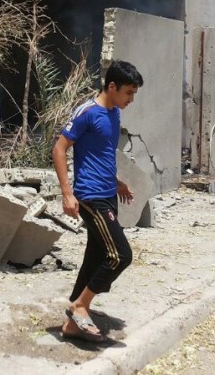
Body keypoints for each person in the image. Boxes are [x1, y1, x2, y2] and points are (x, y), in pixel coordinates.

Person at [52, 59, 144, 342]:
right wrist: (67, 193)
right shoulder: (87, 112)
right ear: (112, 86)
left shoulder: (114, 113)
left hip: (108, 193)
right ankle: (80, 306)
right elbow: (59, 147)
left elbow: (101, 152)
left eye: (134, 94)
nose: (131, 99)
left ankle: (73, 322)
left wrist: (117, 182)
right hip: (90, 196)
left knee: (95, 256)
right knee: (120, 255)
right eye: (128, 92)